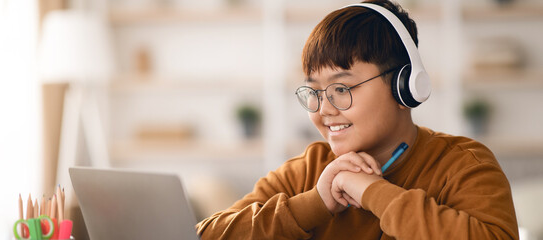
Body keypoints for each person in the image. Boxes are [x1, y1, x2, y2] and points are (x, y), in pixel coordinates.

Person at [196, 0, 519, 239]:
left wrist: (371, 191)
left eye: (341, 88)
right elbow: (204, 234)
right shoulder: (307, 171)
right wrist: (315, 203)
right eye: (314, 92)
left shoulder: (464, 166)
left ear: (404, 86)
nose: (323, 109)